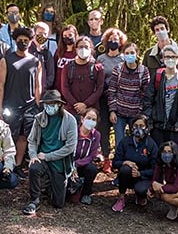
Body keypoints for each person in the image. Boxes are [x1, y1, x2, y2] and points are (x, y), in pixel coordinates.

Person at [22, 90, 78, 215]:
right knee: (34, 168)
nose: (49, 106)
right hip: (42, 157)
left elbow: (70, 147)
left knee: (58, 203)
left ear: (59, 104)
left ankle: (52, 186)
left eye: (52, 103)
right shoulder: (39, 118)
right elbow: (31, 140)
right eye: (46, 103)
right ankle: (34, 200)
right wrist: (33, 156)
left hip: (60, 162)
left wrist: (48, 156)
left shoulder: (70, 120)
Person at [0, 27, 42, 177]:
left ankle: (17, 164)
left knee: (24, 136)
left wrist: (38, 104)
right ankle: (5, 164)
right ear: (15, 40)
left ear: (30, 42)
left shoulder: (36, 61)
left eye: (26, 40)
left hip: (29, 106)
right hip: (10, 105)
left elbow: (38, 85)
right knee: (8, 135)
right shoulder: (6, 59)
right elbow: (0, 85)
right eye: (20, 40)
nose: (23, 42)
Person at [143, 44, 178, 146]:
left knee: (173, 156)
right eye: (167, 57)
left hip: (174, 127)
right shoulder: (157, 76)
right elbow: (148, 100)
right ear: (163, 59)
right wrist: (151, 121)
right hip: (157, 127)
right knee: (156, 156)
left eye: (173, 57)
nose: (170, 59)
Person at [111, 115, 159, 212]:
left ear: (147, 128)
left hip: (143, 176)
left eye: (141, 126)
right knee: (125, 169)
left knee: (141, 190)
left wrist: (140, 174)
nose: (138, 129)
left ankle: (140, 195)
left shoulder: (151, 144)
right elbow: (115, 163)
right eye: (136, 125)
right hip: (127, 175)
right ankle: (121, 198)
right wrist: (125, 162)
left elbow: (155, 169)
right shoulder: (125, 141)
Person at [109, 43, 151, 148]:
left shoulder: (143, 71)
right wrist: (112, 110)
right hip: (119, 113)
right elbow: (112, 90)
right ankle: (120, 162)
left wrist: (140, 112)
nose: (129, 55)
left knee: (137, 139)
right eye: (127, 53)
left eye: (132, 52)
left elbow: (145, 93)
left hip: (135, 113)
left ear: (137, 54)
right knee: (120, 141)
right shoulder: (118, 69)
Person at [95, 28, 127, 161]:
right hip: (103, 97)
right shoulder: (101, 58)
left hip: (119, 99)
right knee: (104, 128)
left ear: (120, 42)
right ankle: (106, 157)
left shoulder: (124, 58)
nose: (113, 42)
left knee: (119, 129)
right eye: (110, 39)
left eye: (116, 39)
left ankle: (119, 158)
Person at [61, 36, 105, 116]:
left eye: (86, 47)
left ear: (91, 49)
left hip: (91, 111)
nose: (83, 49)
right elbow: (65, 88)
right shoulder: (67, 67)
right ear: (76, 49)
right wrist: (76, 104)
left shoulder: (98, 67)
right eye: (80, 47)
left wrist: (85, 104)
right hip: (71, 110)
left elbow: (99, 89)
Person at [143, 16, 178, 81]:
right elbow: (145, 78)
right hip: (155, 90)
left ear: (167, 30)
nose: (160, 32)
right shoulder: (149, 55)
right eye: (157, 30)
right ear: (154, 33)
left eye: (162, 28)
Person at [72, 109, 102, 205]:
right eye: (88, 118)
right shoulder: (73, 131)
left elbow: (92, 155)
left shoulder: (96, 135)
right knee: (70, 199)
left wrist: (77, 164)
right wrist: (72, 165)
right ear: (82, 119)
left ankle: (86, 193)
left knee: (92, 169)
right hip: (69, 164)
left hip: (83, 165)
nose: (91, 121)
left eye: (94, 119)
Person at [30, 22, 56, 90]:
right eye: (40, 33)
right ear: (34, 33)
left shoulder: (47, 53)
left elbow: (51, 74)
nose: (43, 36)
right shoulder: (27, 50)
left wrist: (44, 86)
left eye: (45, 34)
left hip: (42, 91)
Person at [54, 25, 78, 95]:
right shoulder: (58, 51)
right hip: (58, 89)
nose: (67, 37)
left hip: (73, 91)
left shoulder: (79, 52)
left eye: (70, 35)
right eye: (64, 35)